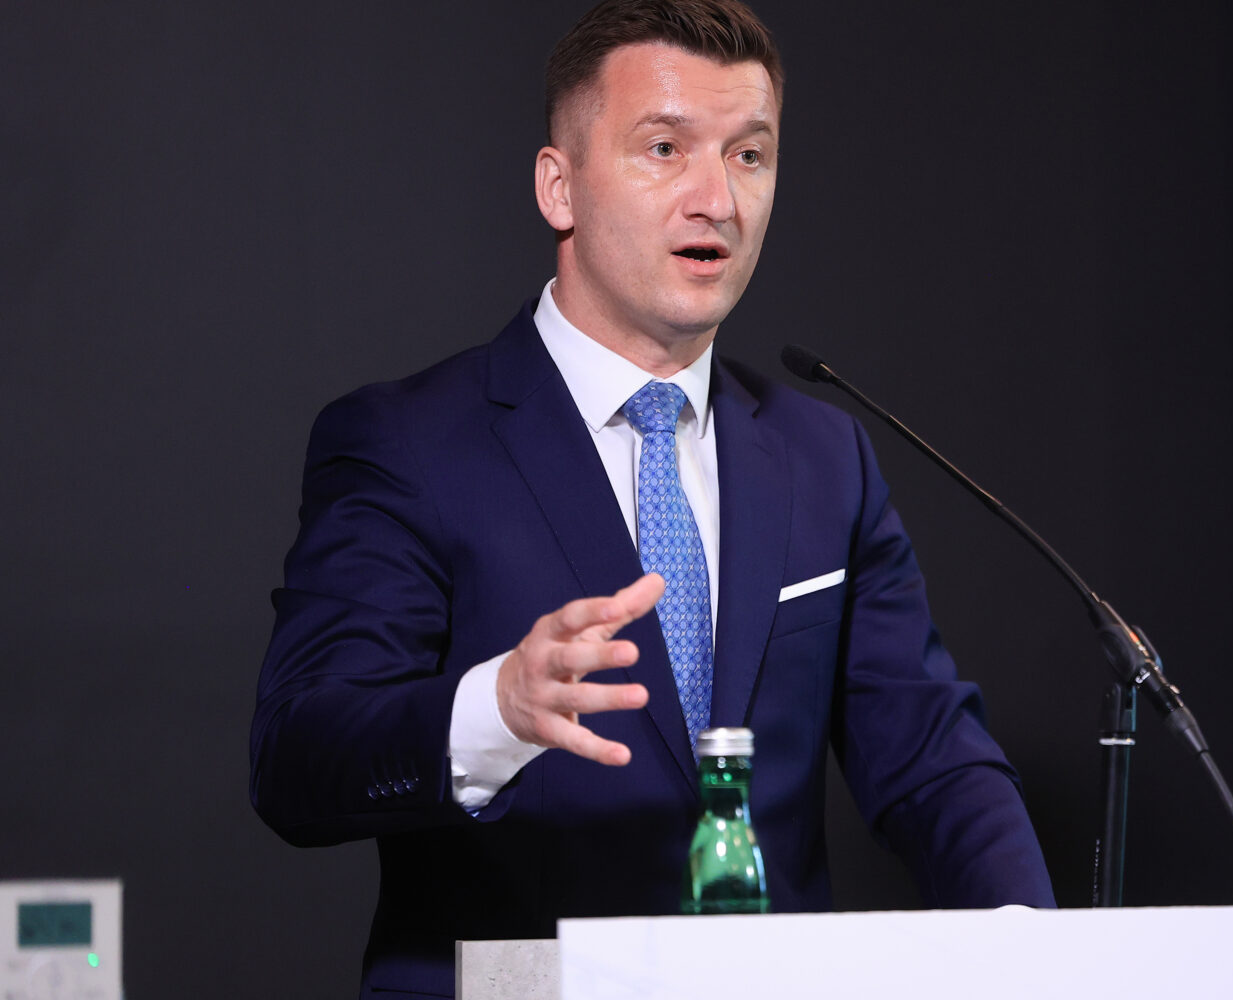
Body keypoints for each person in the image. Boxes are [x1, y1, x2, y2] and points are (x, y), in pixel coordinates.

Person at [250, 1, 1054, 995]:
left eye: (749, 156)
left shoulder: (823, 455)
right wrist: (496, 708)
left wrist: (1035, 949)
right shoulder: (409, 443)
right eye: (664, 149)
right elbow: (297, 757)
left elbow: (930, 758)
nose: (717, 199)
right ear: (560, 187)